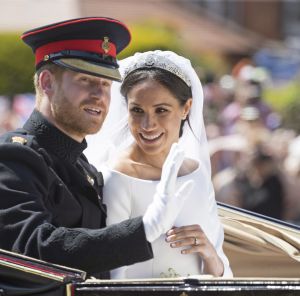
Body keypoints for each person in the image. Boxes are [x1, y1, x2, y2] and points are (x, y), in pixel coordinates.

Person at [0, 18, 194, 279]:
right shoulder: (13, 158)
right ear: (47, 82)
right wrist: (144, 229)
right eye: (85, 79)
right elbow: (34, 249)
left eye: (105, 84)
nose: (99, 95)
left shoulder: (84, 169)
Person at [86, 51, 232, 278]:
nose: (148, 124)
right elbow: (112, 275)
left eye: (161, 110)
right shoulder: (117, 176)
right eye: (137, 111)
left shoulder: (196, 173)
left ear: (186, 108)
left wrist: (209, 253)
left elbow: (222, 272)